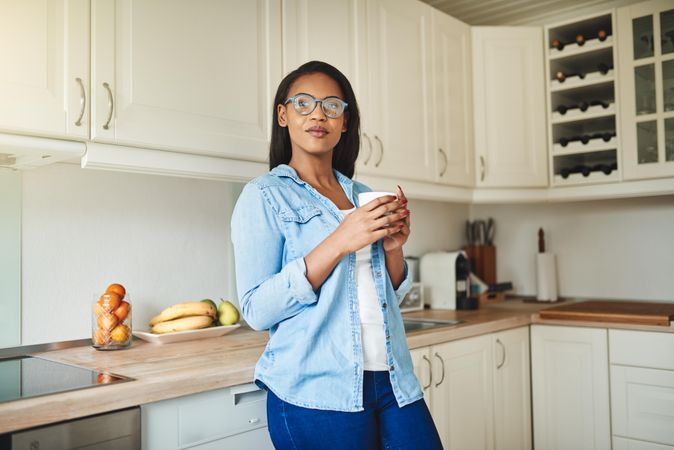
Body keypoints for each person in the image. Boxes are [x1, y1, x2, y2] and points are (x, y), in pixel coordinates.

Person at [231, 60, 443, 450]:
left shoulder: (363, 193)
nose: (318, 114)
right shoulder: (263, 195)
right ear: (283, 115)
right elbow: (257, 309)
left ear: (345, 121)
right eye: (304, 103)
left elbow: (386, 295)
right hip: (316, 389)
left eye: (332, 105)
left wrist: (395, 250)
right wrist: (340, 240)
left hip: (393, 379)